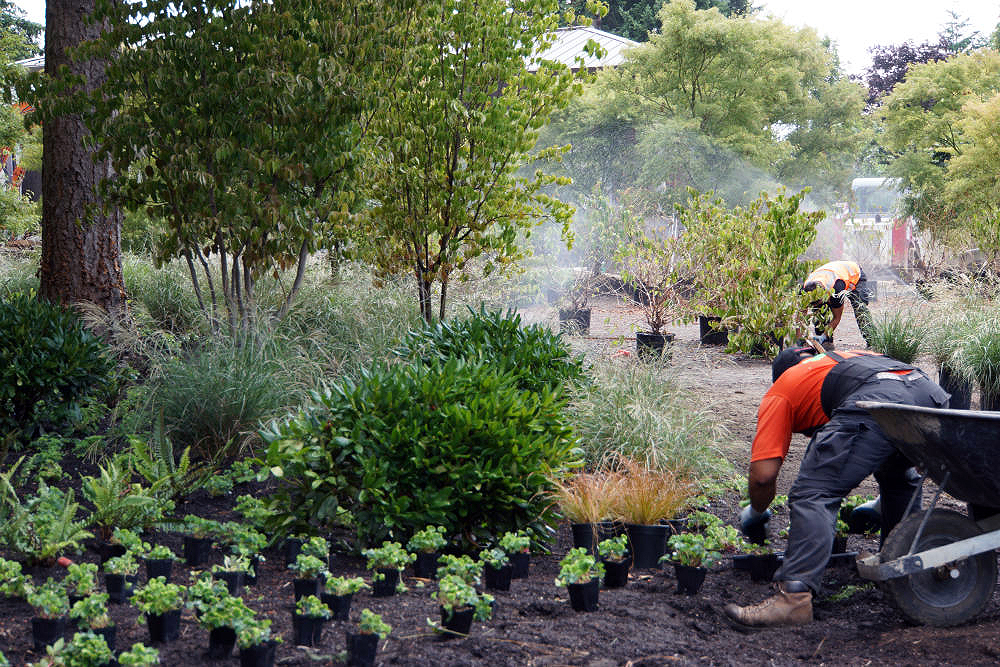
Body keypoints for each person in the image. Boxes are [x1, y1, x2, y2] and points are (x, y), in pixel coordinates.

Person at [723, 346, 950, 629]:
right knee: (900, 482)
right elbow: (891, 404)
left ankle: (793, 600)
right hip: (928, 393)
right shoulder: (848, 358)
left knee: (813, 494)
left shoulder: (783, 388)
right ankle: (903, 577)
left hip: (877, 401)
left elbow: (763, 476)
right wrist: (881, 504)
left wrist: (755, 511)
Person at [802, 260, 872, 347]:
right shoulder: (804, 291)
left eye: (817, 303)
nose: (814, 307)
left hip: (854, 274)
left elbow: (836, 318)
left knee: (860, 309)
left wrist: (823, 336)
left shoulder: (836, 290)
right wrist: (799, 340)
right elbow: (800, 319)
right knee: (820, 315)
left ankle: (872, 342)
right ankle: (826, 344)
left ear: (825, 295)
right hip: (832, 272)